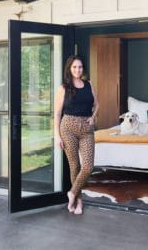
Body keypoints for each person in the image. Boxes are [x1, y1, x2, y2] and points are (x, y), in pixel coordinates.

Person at [54, 55, 99, 215]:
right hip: (68, 128)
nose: (77, 70)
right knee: (75, 166)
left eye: (80, 67)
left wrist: (93, 117)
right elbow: (57, 113)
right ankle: (78, 202)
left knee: (88, 166)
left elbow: (96, 104)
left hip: (87, 130)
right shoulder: (63, 88)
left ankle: (72, 193)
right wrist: (57, 136)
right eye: (74, 67)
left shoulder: (89, 84)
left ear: (83, 68)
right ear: (69, 69)